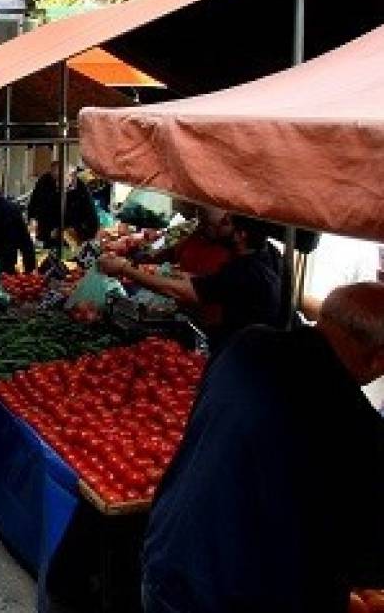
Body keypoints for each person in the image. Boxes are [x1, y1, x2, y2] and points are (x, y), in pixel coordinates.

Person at [142, 282, 384, 612]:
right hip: (237, 594)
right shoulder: (354, 426)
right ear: (378, 357)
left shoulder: (246, 345)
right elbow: (365, 558)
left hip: (170, 558)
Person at [99, 213, 282, 355]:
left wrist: (124, 268)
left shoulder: (244, 271)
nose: (219, 225)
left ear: (241, 235)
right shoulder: (267, 255)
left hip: (245, 352)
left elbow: (181, 292)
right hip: (250, 345)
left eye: (226, 223)